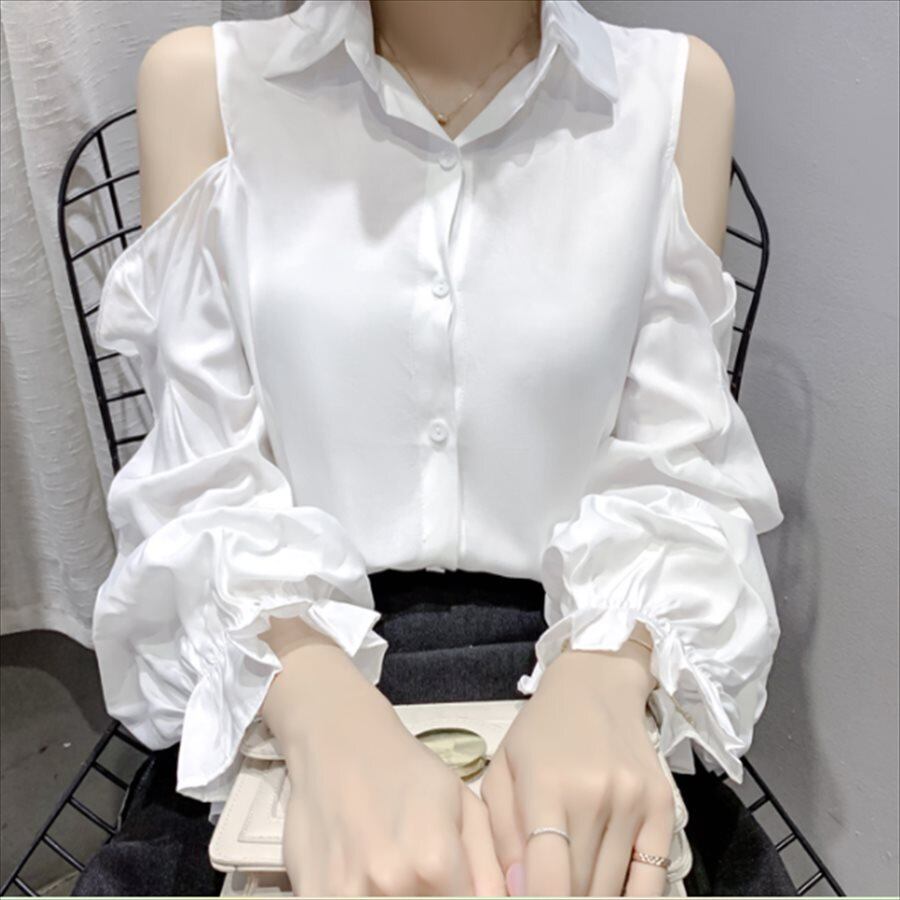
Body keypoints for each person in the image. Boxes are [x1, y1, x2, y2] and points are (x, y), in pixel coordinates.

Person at [78, 0, 796, 895]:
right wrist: (318, 704)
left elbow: (677, 471)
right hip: (279, 660)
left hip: (580, 647)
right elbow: (201, 485)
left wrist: (608, 673)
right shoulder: (206, 87)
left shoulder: (673, 93)